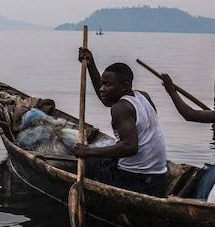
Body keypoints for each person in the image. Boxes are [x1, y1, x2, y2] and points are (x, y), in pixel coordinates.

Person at [72, 48, 169, 197]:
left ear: (125, 86)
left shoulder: (121, 108)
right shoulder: (143, 97)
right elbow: (106, 98)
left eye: (108, 85)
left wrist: (88, 151)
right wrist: (91, 65)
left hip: (135, 181)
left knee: (89, 162)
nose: (102, 89)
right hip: (160, 179)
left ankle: (92, 201)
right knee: (104, 157)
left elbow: (130, 147)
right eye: (102, 84)